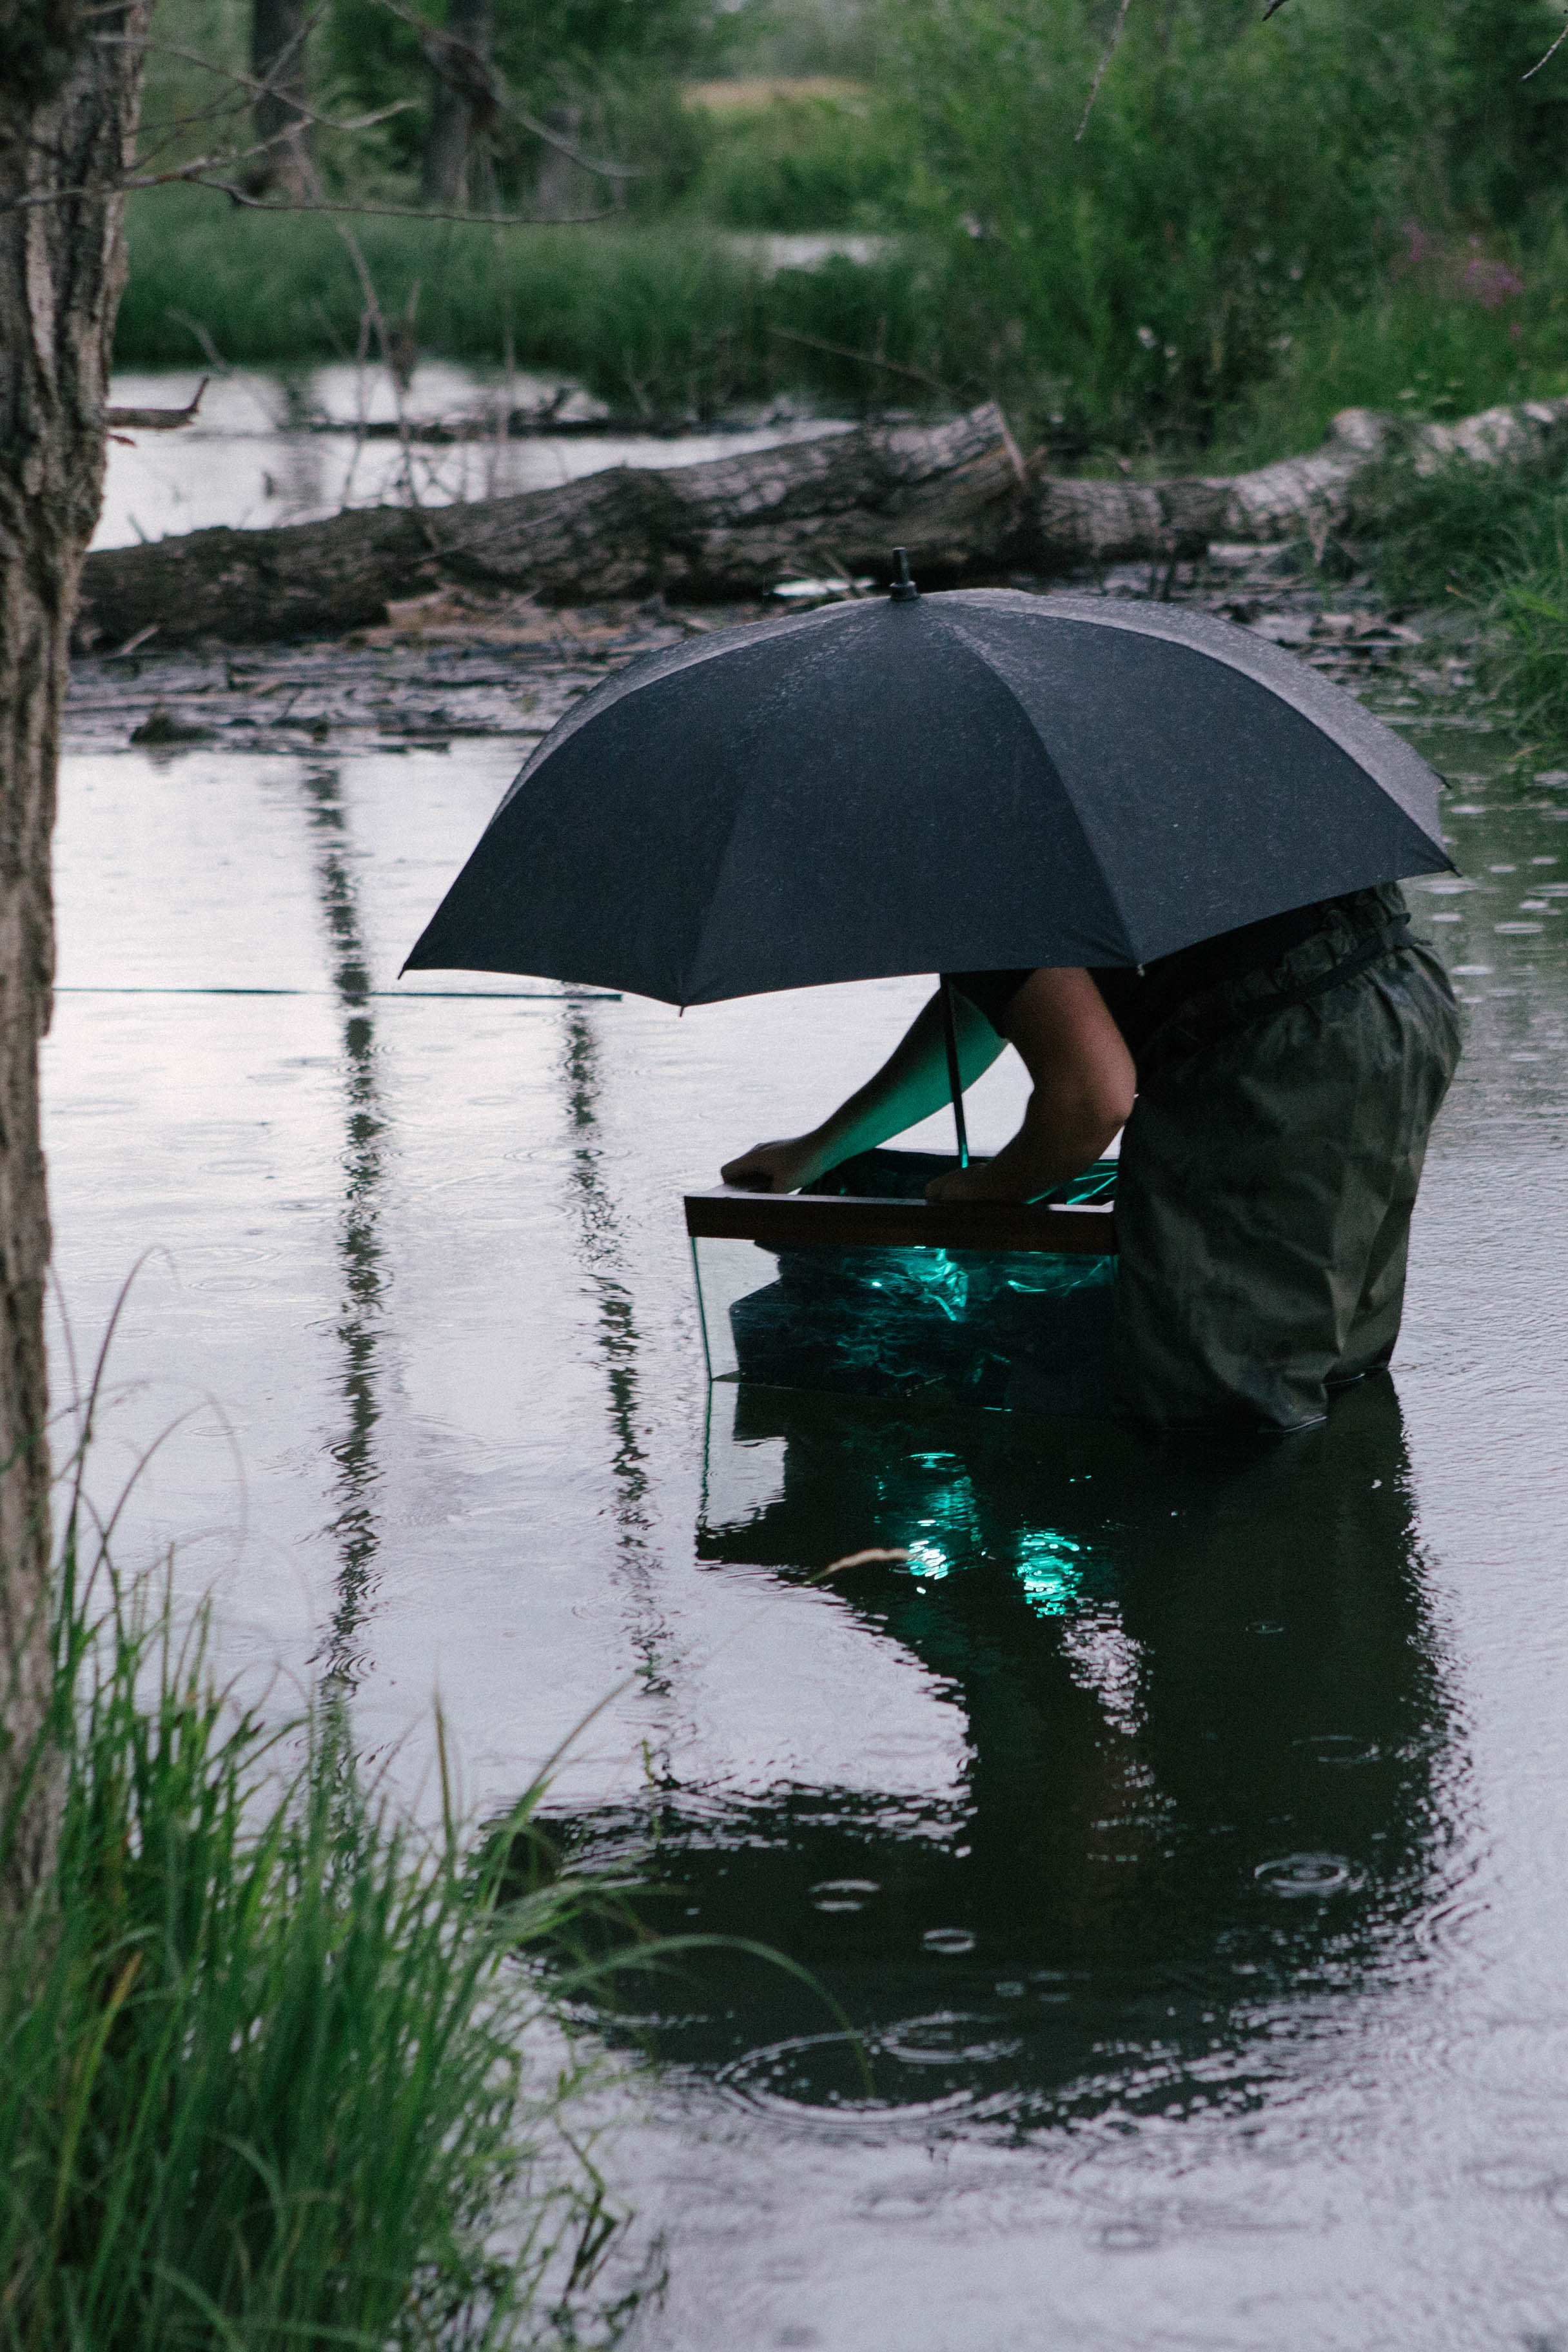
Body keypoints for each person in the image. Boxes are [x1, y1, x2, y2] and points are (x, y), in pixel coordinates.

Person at [721, 884, 1462, 1434]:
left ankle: (1232, 1609)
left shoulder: (972, 859)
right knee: (1336, 1368)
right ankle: (1351, 1602)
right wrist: (819, 1150)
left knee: (1223, 1413)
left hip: (1279, 1052)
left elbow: (1091, 1102)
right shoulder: (1059, 803)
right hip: (1394, 993)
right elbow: (988, 1009)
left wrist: (987, 1192)